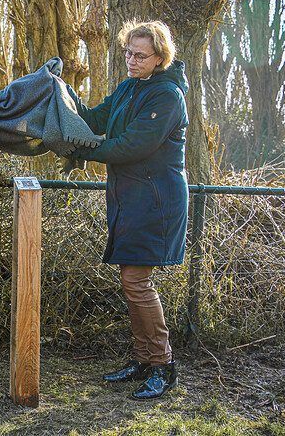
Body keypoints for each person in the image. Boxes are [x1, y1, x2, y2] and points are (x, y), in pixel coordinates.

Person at [67, 20, 188, 400]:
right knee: (131, 282)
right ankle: (142, 359)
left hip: (156, 201)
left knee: (137, 282)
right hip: (129, 198)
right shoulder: (128, 88)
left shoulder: (167, 96)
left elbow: (132, 146)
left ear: (160, 57)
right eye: (128, 53)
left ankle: (163, 365)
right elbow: (94, 118)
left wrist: (84, 150)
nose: (131, 60)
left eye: (140, 55)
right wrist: (60, 92)